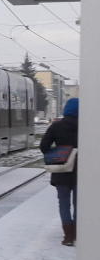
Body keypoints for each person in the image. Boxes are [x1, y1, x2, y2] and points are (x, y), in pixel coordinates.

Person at [40, 97, 78, 246]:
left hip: (61, 170)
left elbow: (44, 146)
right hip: (82, 171)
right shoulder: (88, 125)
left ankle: (68, 236)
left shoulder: (56, 126)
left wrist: (59, 153)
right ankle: (77, 232)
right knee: (79, 203)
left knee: (63, 203)